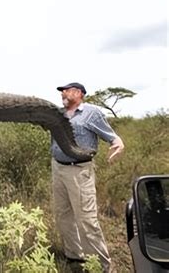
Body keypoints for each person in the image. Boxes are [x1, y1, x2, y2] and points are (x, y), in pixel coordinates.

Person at [50, 82, 124, 273]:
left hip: (79, 171)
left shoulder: (92, 113)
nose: (63, 94)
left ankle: (103, 267)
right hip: (58, 169)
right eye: (61, 92)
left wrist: (118, 143)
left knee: (87, 220)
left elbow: (112, 136)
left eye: (66, 90)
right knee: (63, 215)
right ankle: (75, 257)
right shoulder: (58, 114)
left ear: (79, 93)